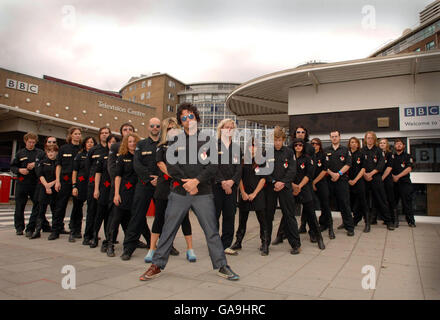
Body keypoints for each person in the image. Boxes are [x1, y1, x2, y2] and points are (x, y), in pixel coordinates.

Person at [139, 103, 239, 281]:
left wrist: (196, 181)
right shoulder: (174, 140)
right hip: (179, 191)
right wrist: (185, 183)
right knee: (168, 228)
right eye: (183, 118)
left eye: (190, 116)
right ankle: (157, 264)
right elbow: (171, 165)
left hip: (203, 192)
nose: (188, 120)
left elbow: (213, 165)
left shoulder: (208, 140)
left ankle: (222, 265)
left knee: (211, 231)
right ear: (181, 121)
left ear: (197, 117)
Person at [145, 117, 195, 263]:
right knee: (159, 218)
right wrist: (176, 176)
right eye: (169, 128)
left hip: (180, 187)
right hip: (164, 186)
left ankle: (190, 249)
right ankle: (152, 249)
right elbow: (160, 164)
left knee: (184, 218)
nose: (172, 131)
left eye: (175, 128)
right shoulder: (161, 146)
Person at [120, 118, 160, 261]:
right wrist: (150, 179)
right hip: (144, 185)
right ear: (148, 128)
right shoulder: (141, 144)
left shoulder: (165, 144)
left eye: (157, 126)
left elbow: (168, 164)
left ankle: (165, 246)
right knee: (137, 216)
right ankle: (128, 248)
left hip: (161, 185)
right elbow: (137, 165)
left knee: (162, 217)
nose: (155, 128)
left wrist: (159, 179)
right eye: (152, 126)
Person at [273, 125, 315, 244]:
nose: (300, 134)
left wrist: (298, 185)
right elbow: (279, 170)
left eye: (302, 132)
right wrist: (287, 183)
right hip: (288, 185)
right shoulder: (288, 148)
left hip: (303, 184)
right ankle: (280, 236)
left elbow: (306, 169)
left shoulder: (309, 148)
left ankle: (311, 235)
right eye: (298, 132)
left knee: (308, 211)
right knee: (287, 212)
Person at [265, 126, 301, 255]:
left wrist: (283, 182)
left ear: (283, 140)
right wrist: (274, 182)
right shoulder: (267, 152)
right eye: (275, 140)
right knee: (268, 216)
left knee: (289, 215)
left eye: (279, 140)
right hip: (271, 187)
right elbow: (264, 170)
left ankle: (295, 244)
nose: (277, 142)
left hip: (285, 188)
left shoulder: (289, 152)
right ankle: (265, 243)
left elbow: (292, 170)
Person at [230, 139, 269, 255]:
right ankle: (238, 242)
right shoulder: (242, 161)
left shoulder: (262, 161)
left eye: (255, 146)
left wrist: (255, 193)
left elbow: (263, 179)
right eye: (250, 146)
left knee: (263, 220)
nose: (253, 148)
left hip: (258, 193)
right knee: (242, 220)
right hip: (244, 194)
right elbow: (239, 177)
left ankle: (265, 243)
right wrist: (243, 192)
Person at [107, 133, 141, 257]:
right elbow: (117, 176)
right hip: (123, 192)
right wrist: (116, 194)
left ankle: (129, 245)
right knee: (116, 220)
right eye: (130, 141)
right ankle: (110, 244)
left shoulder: (140, 157)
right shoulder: (122, 157)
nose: (132, 144)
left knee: (132, 221)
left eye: (134, 141)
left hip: (136, 193)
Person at [213, 119, 242, 256]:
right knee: (214, 216)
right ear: (221, 129)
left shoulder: (237, 148)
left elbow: (239, 168)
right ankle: (214, 245)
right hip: (217, 187)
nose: (229, 129)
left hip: (232, 187)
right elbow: (213, 167)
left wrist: (231, 182)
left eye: (232, 127)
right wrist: (223, 182)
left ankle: (226, 245)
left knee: (230, 216)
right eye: (226, 127)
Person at [48, 127, 82, 240]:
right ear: (71, 135)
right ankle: (55, 230)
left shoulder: (83, 149)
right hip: (65, 180)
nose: (78, 136)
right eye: (75, 134)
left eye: (79, 134)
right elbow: (58, 165)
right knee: (60, 206)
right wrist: (57, 180)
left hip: (78, 181)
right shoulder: (63, 148)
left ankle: (75, 230)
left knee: (78, 206)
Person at [292, 138, 325, 249]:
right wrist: (293, 186)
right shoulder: (290, 158)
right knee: (289, 215)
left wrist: (299, 186)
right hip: (292, 190)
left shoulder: (307, 159)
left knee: (311, 215)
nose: (298, 147)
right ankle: (287, 237)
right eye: (296, 145)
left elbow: (309, 174)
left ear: (303, 147)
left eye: (300, 145)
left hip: (304, 189)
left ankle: (319, 238)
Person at [11, 132, 45, 236]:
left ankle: (30, 228)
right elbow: (13, 167)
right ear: (26, 141)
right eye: (30, 142)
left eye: (33, 142)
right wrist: (20, 170)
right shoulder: (20, 153)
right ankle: (19, 227)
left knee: (37, 205)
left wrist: (36, 164)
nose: (31, 144)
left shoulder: (40, 153)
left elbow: (45, 163)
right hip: (22, 183)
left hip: (35, 183)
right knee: (20, 206)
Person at [91, 134, 120, 250]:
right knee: (99, 215)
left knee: (111, 216)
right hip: (104, 188)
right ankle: (94, 236)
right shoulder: (102, 157)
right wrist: (96, 189)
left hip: (114, 189)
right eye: (110, 142)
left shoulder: (120, 156)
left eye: (114, 142)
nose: (112, 144)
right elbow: (97, 174)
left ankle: (109, 238)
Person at [83, 127, 110, 245]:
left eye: (106, 133)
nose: (104, 135)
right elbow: (87, 167)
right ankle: (88, 236)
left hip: (107, 185)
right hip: (94, 184)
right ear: (99, 135)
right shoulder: (93, 150)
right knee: (92, 211)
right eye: (102, 133)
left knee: (105, 213)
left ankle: (108, 237)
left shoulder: (112, 150)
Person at [325, 130, 355, 237]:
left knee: (344, 203)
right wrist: (332, 174)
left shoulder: (345, 150)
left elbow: (348, 164)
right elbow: (324, 166)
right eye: (332, 136)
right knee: (327, 204)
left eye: (336, 136)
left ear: (339, 137)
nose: (334, 138)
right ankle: (326, 226)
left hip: (341, 180)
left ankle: (349, 227)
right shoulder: (326, 150)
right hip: (329, 180)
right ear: (330, 138)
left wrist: (338, 174)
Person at [362, 131, 394, 230]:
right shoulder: (362, 151)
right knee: (364, 201)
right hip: (364, 178)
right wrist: (365, 174)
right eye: (368, 138)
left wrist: (371, 174)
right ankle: (367, 221)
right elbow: (358, 165)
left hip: (376, 178)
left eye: (371, 138)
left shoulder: (379, 151)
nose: (370, 139)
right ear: (365, 139)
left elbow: (381, 165)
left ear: (374, 139)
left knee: (382, 200)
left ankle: (389, 222)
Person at [70, 136, 96, 243]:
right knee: (77, 208)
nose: (90, 144)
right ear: (84, 144)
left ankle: (91, 232)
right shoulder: (80, 155)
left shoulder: (96, 155)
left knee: (92, 210)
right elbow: (75, 171)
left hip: (92, 185)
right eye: (88, 142)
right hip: (80, 184)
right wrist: (74, 185)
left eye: (92, 142)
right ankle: (74, 231)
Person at [31, 144, 58, 239]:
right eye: (49, 151)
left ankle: (55, 231)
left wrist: (51, 185)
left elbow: (59, 177)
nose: (51, 153)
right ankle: (37, 230)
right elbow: (40, 174)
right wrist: (46, 185)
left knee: (55, 210)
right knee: (41, 210)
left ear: (56, 152)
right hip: (43, 188)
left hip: (55, 189)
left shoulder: (58, 163)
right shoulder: (43, 162)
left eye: (53, 151)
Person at [310, 138, 335, 239]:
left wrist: (314, 182)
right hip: (310, 183)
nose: (314, 145)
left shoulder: (323, 155)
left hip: (321, 183)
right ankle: (312, 227)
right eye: (312, 144)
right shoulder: (309, 156)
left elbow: (324, 171)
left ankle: (330, 228)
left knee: (325, 205)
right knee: (310, 206)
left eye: (316, 144)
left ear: (320, 145)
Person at [391, 138, 416, 228]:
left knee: (407, 203)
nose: (398, 145)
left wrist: (398, 176)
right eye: (397, 144)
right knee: (394, 204)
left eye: (400, 144)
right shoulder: (392, 157)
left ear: (404, 146)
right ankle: (395, 221)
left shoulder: (408, 156)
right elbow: (388, 168)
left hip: (405, 183)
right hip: (394, 184)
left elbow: (409, 168)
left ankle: (411, 221)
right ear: (394, 146)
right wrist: (393, 176)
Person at [347, 137, 370, 233]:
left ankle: (367, 223)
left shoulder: (362, 154)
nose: (354, 144)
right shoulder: (346, 154)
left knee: (363, 202)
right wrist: (349, 180)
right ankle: (350, 222)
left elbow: (363, 169)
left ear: (358, 144)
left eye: (355, 142)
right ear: (349, 144)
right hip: (348, 181)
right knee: (349, 203)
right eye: (352, 142)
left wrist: (355, 180)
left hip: (359, 181)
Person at [379, 138, 397, 227]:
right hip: (379, 180)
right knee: (382, 200)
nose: (382, 144)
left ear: (387, 145)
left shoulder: (390, 154)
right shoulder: (378, 154)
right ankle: (386, 219)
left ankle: (394, 220)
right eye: (380, 143)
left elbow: (389, 168)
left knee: (390, 199)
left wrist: (382, 178)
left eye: (384, 143)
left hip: (387, 179)